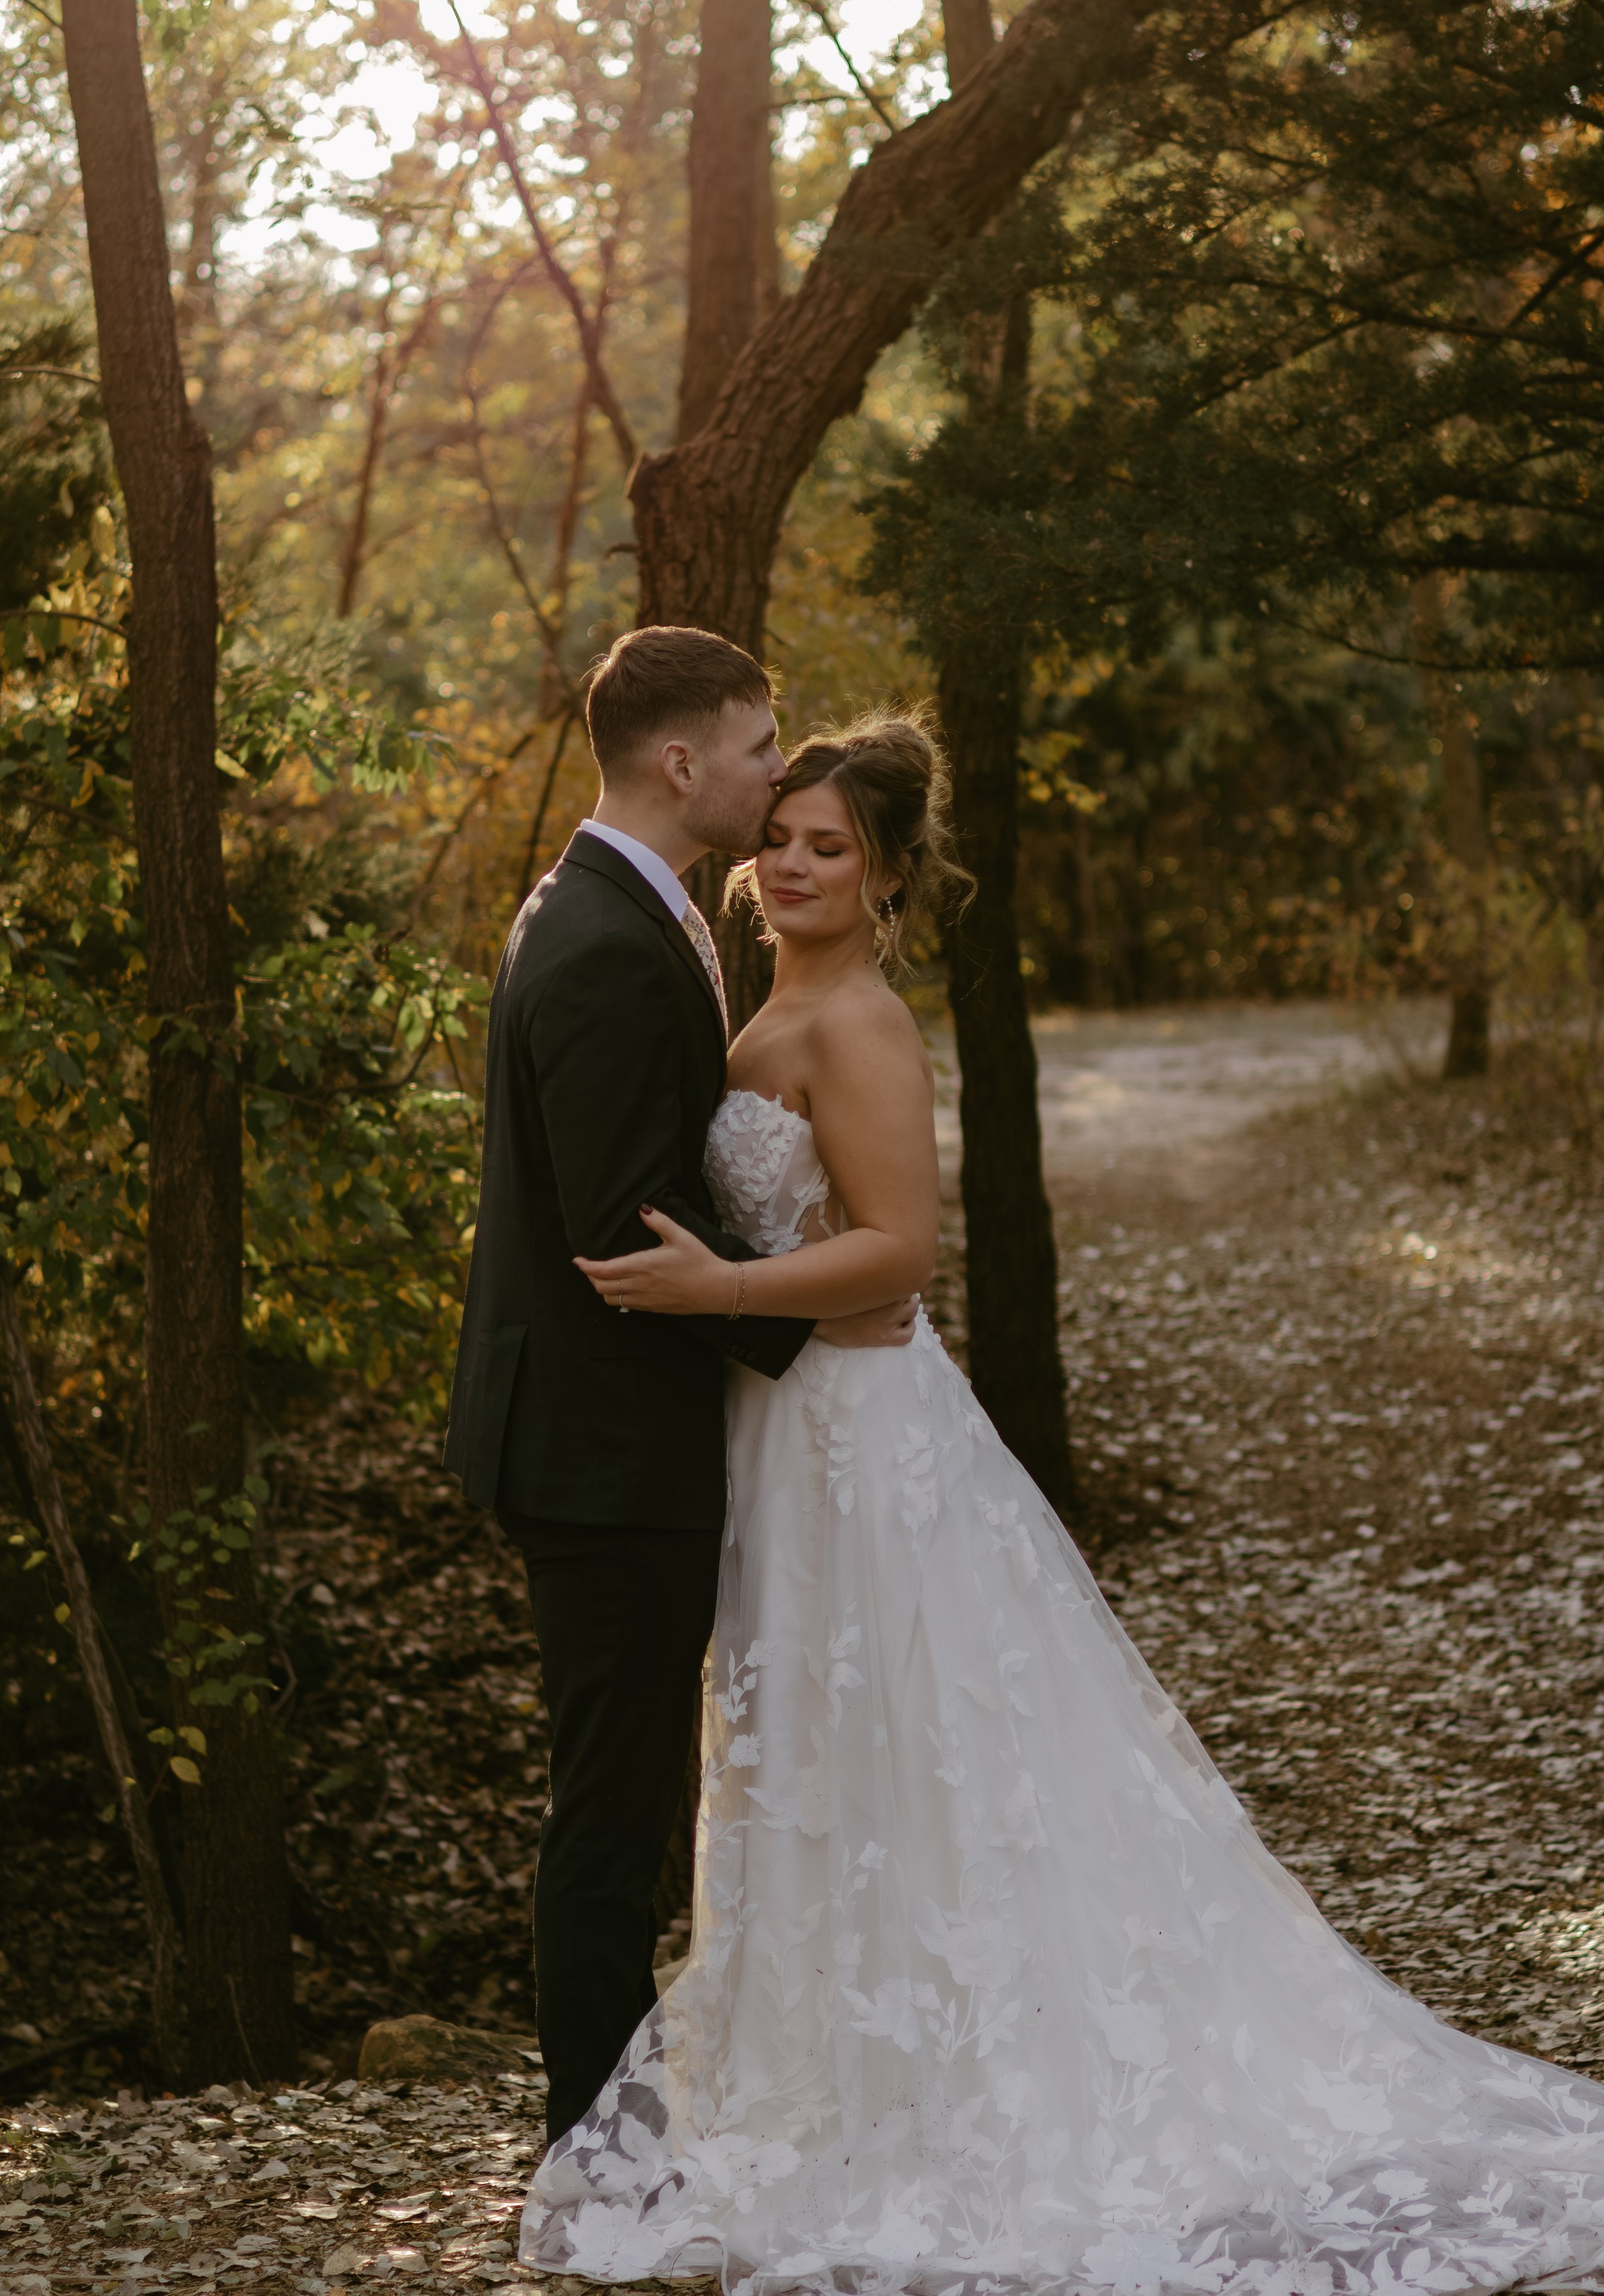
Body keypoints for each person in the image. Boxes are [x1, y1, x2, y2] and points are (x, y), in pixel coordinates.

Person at [520, 706, 1604, 2296]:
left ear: (885, 880)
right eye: (785, 838)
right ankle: (831, 2085)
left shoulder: (862, 1023)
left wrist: (717, 1289)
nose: (795, 864)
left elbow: (897, 1259)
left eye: (833, 849)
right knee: (814, 1767)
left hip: (859, 1443)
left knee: (913, 1754)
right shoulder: (752, 998)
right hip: (776, 1445)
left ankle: (965, 2093)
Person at [441, 628, 918, 2150]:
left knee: (650, 1794)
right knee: (611, 1817)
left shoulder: (622, 911)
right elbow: (615, 1221)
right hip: (599, 1455)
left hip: (650, 1434)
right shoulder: (597, 939)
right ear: (680, 762)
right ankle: (600, 2157)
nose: (777, 772)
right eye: (760, 748)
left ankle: (658, 2127)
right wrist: (803, 1319)